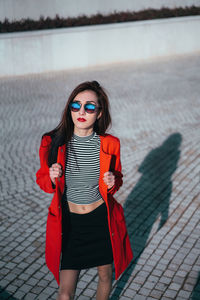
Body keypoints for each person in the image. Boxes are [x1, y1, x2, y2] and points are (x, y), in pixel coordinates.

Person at [36, 81, 133, 300]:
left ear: (99, 113)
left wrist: (112, 181)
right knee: (65, 294)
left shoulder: (110, 144)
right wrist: (51, 178)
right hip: (70, 223)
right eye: (75, 105)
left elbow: (116, 179)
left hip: (100, 220)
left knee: (105, 276)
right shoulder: (52, 142)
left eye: (89, 107)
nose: (81, 111)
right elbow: (42, 180)